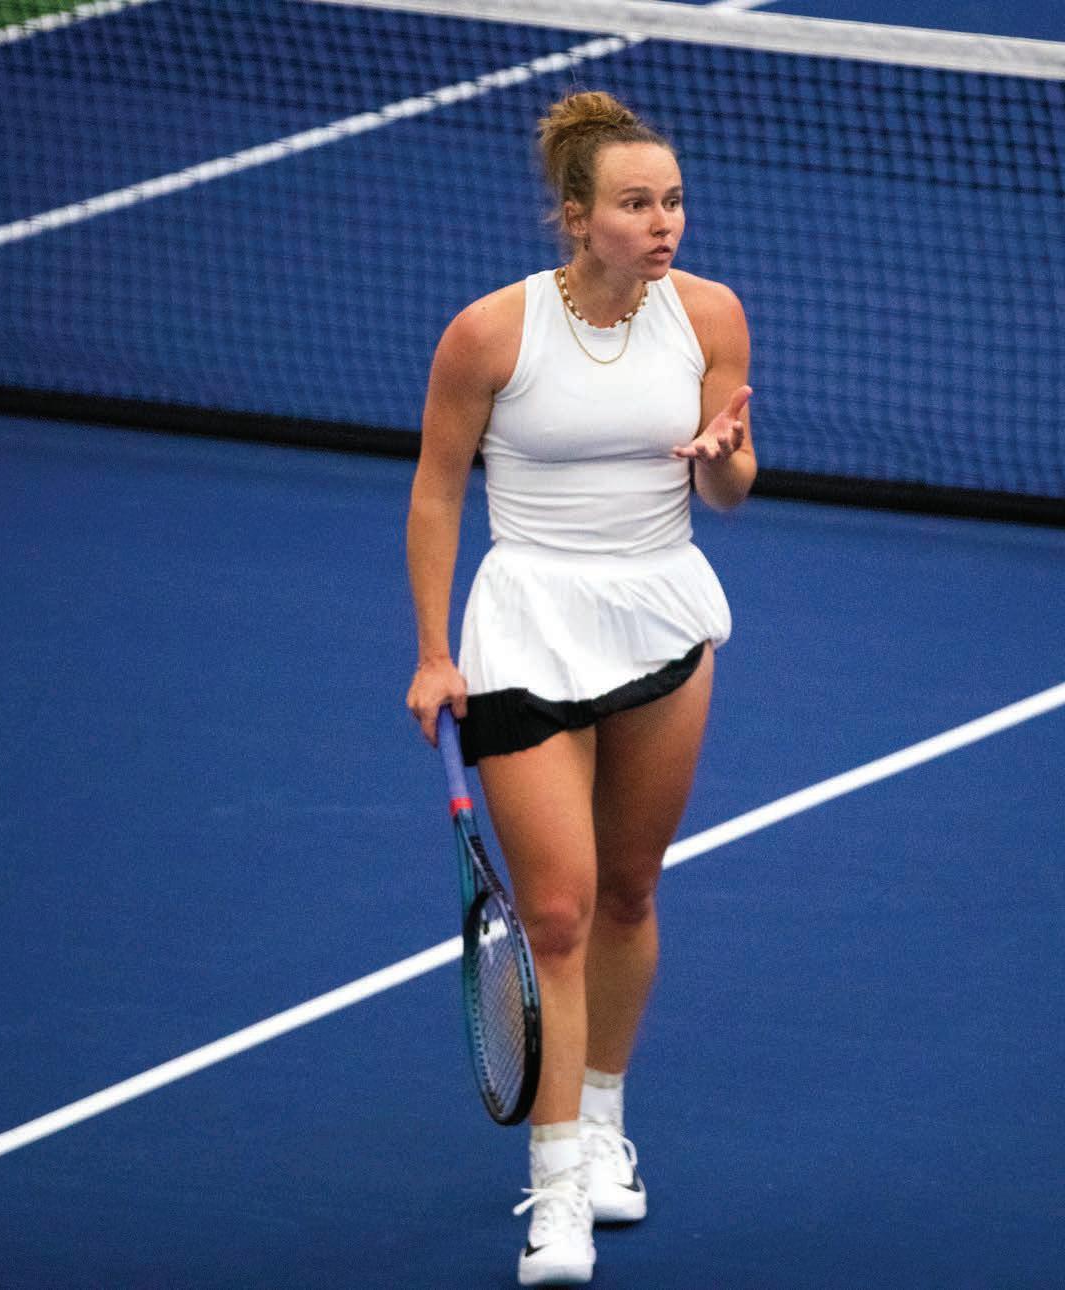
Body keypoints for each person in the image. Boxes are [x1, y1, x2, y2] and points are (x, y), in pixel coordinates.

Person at [404, 89, 755, 1287]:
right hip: (526, 628)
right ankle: (555, 1196)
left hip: (660, 619)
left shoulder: (709, 315)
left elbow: (728, 491)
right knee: (554, 914)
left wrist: (725, 461)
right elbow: (436, 491)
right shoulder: (489, 335)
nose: (663, 223)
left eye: (673, 202)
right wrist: (433, 651)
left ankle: (602, 1120)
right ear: (574, 217)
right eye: (635, 204)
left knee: (629, 891)